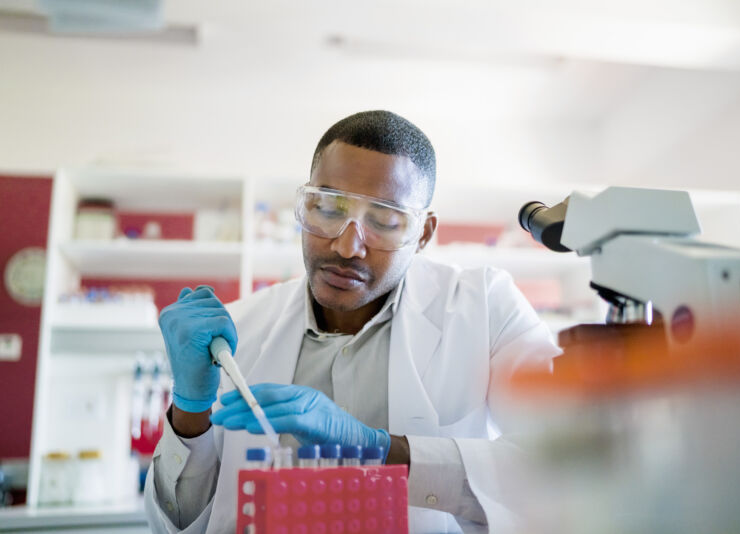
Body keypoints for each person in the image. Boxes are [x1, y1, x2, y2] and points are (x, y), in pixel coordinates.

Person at [144, 110, 560, 533]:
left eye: (383, 221)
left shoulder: (485, 308)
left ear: (423, 234)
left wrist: (380, 451)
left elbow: (566, 466)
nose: (346, 246)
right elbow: (176, 525)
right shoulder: (238, 330)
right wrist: (189, 411)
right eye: (326, 209)